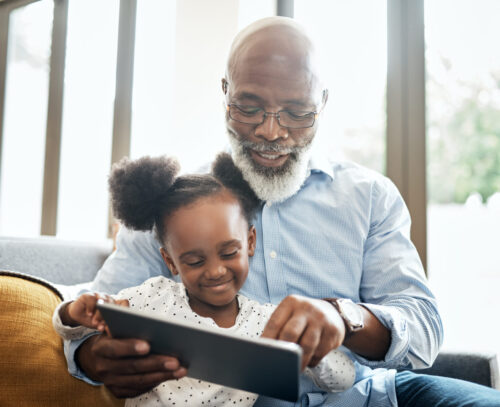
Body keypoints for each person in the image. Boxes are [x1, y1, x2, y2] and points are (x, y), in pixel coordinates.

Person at [64, 16, 500, 407]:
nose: (271, 131)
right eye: (249, 108)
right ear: (224, 93)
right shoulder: (174, 204)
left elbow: (423, 327)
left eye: (297, 113)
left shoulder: (369, 196)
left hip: (368, 395)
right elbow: (90, 314)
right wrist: (91, 356)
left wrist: (342, 316)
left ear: (323, 102)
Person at [53, 153, 356, 406]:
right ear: (170, 261)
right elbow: (73, 326)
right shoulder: (152, 298)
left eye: (228, 253)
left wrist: (313, 350)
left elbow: (344, 379)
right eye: (195, 261)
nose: (215, 271)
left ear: (250, 242)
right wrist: (75, 311)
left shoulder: (267, 323)